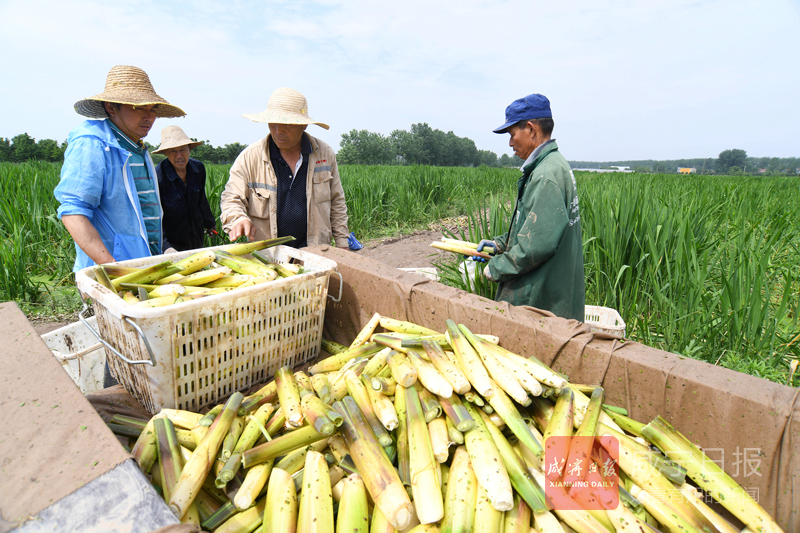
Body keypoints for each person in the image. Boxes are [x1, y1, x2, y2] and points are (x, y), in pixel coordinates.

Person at [54, 65, 186, 272]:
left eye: (152, 109)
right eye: (138, 107)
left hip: (143, 263)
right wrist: (112, 267)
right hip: (112, 269)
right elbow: (74, 212)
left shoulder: (137, 147)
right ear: (111, 108)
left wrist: (163, 248)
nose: (149, 117)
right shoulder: (93, 144)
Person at [478, 93, 585, 321]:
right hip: (552, 290)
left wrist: (495, 268)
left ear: (531, 129)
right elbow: (534, 225)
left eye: (512, 134)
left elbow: (536, 245)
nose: (510, 143)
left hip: (542, 299)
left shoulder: (546, 174)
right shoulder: (552, 165)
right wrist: (500, 244)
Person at [220, 87, 349, 248]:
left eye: (286, 124)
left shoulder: (324, 154)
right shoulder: (250, 158)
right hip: (268, 256)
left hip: (315, 252)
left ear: (303, 126)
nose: (278, 130)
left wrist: (343, 242)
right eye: (273, 123)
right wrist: (238, 218)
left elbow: (337, 201)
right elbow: (231, 197)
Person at [153, 126, 216, 252]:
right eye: (173, 151)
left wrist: (210, 224)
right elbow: (155, 216)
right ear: (165, 153)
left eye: (182, 150)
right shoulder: (158, 176)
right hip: (172, 242)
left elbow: (201, 199)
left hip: (195, 237)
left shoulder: (198, 169)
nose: (179, 156)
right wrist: (166, 246)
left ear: (189, 150)